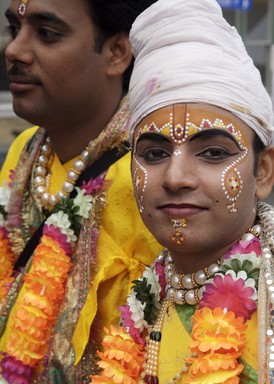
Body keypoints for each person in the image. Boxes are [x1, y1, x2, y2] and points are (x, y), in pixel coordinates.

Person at [90, 0, 274, 383]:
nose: (175, 177)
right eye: (154, 153)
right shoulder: (142, 297)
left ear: (263, 171)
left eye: (212, 153)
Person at [0, 0, 162, 383]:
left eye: (47, 34)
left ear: (116, 53)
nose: (15, 50)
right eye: (14, 29)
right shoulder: (25, 150)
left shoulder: (154, 178)